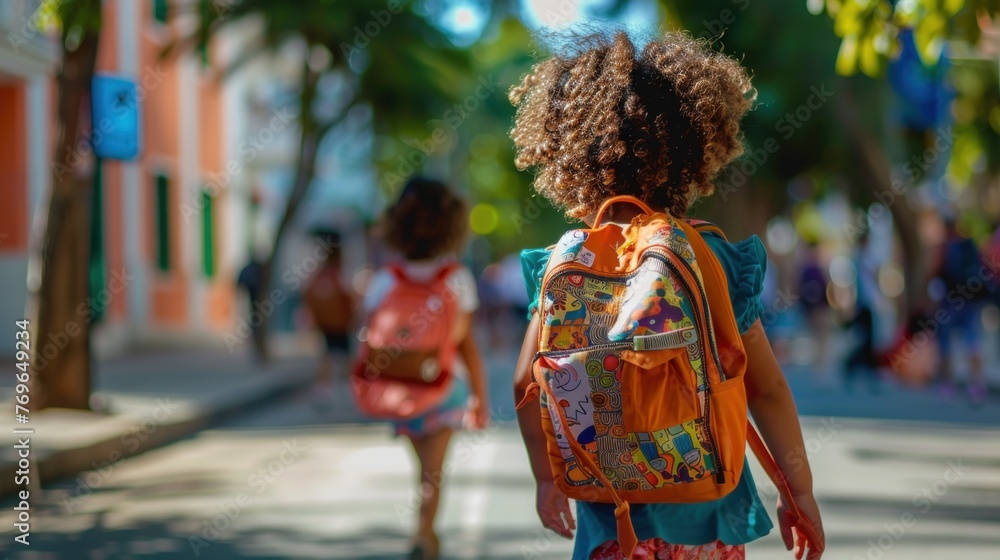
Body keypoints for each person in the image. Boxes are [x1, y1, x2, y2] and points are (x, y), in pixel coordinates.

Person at [509, 32, 824, 559]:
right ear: (697, 146)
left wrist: (547, 479)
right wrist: (801, 493)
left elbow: (526, 380)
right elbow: (765, 389)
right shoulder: (712, 259)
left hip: (611, 519)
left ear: (565, 152)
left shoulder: (564, 266)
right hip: (706, 517)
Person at [360, 177, 490, 560]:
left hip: (401, 389)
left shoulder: (384, 280)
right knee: (434, 471)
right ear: (449, 224)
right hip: (443, 386)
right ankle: (424, 533)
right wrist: (480, 398)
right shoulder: (456, 279)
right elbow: (466, 345)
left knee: (423, 468)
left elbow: (371, 337)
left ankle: (424, 532)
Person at [934, 219, 989, 404]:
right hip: (971, 302)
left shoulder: (946, 248)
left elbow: (935, 272)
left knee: (946, 343)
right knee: (973, 341)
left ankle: (947, 384)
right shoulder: (971, 247)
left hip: (950, 302)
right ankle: (976, 385)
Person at [301, 231, 354, 407]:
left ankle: (323, 390)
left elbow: (308, 293)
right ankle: (345, 389)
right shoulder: (339, 273)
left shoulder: (319, 274)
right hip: (340, 322)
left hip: (324, 322)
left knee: (326, 355)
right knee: (345, 356)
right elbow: (349, 295)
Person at [843, 230, 881, 393]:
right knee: (864, 337)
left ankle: (863, 367)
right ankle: (853, 364)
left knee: (868, 337)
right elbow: (855, 284)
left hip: (869, 302)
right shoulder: (858, 258)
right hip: (862, 303)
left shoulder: (867, 257)